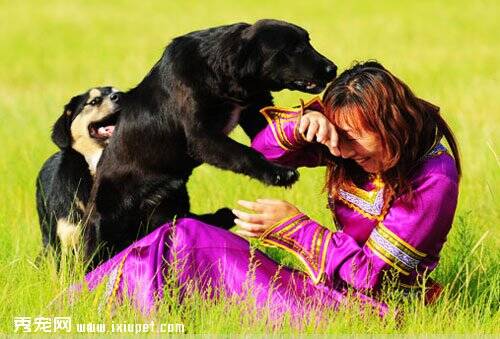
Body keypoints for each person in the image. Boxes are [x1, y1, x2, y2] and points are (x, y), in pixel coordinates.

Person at [77, 61, 460, 319]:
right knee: (181, 235)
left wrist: (295, 229)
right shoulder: (352, 148)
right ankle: (84, 308)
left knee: (189, 246)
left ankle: (93, 312)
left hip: (367, 312)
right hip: (328, 286)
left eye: (355, 139)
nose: (341, 150)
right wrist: (304, 124)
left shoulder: (434, 179)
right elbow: (263, 150)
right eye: (337, 137)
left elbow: (375, 278)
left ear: (392, 127)